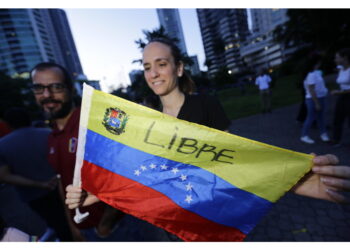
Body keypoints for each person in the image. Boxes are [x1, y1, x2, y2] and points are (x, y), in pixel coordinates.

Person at [65, 38, 350, 241]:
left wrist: (292, 179)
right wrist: (90, 195)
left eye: (161, 64)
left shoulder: (206, 105)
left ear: (178, 68)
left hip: (210, 217)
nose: (153, 73)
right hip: (169, 223)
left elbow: (233, 162)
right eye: (147, 66)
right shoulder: (146, 119)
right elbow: (139, 177)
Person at [30, 62, 171, 241]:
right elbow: (62, 183)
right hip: (86, 228)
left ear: (71, 89)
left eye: (56, 87)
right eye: (39, 88)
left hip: (120, 226)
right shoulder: (52, 137)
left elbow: (128, 174)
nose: (47, 95)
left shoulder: (95, 122)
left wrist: (105, 225)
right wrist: (72, 225)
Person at [0, 107, 72, 241]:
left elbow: (4, 176)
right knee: (72, 219)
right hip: (61, 187)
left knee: (57, 224)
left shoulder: (2, 145)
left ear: (8, 124)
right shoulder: (49, 134)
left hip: (33, 195)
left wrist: (40, 184)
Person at [300, 54, 330, 144]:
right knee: (311, 117)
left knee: (320, 117)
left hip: (320, 97)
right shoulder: (311, 75)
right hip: (313, 99)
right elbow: (311, 89)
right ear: (316, 63)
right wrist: (316, 103)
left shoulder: (316, 72)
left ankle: (323, 133)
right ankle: (304, 135)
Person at [331, 48, 350, 146]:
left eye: (337, 57)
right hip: (342, 96)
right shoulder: (341, 68)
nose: (335, 60)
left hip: (347, 96)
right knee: (337, 119)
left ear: (345, 58)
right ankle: (336, 140)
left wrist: (339, 92)